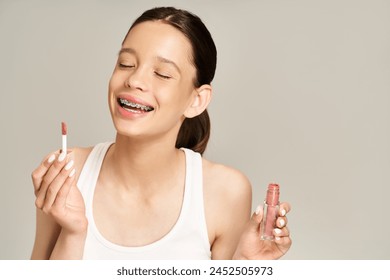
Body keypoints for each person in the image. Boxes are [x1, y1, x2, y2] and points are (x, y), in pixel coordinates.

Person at [31, 7, 291, 260]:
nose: (134, 80)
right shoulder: (67, 170)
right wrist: (73, 233)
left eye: (162, 74)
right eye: (126, 63)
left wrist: (246, 265)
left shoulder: (225, 191)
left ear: (197, 100)